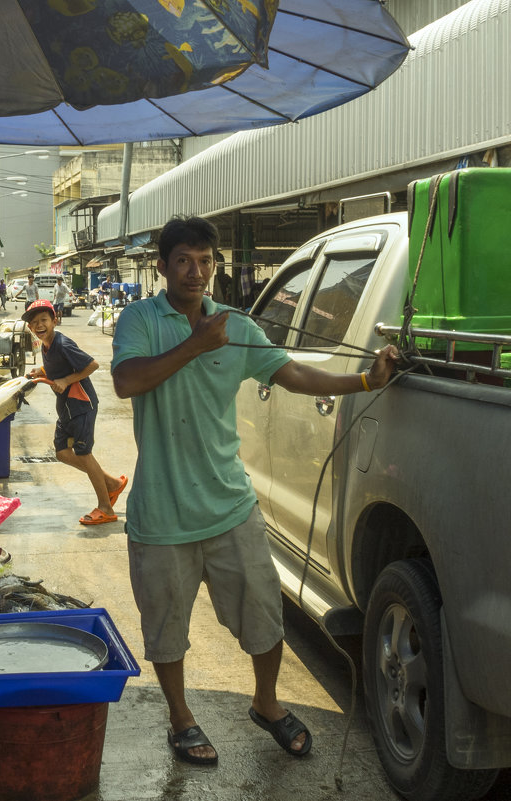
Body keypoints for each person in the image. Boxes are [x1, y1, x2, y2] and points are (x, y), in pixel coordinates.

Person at [111, 216, 398, 766]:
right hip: (162, 516)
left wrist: (365, 381)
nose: (196, 273)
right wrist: (196, 344)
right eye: (183, 262)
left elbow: (291, 373)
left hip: (230, 507)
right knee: (167, 633)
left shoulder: (235, 325)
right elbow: (127, 381)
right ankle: (181, 718)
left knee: (266, 620)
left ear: (214, 266)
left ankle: (266, 704)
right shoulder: (140, 318)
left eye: (205, 262)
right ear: (162, 267)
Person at [23, 299, 126, 526]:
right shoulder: (46, 345)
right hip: (67, 408)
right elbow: (55, 366)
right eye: (34, 323)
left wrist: (66, 380)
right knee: (61, 452)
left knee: (83, 454)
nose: (39, 325)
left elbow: (92, 365)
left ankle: (105, 508)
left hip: (81, 405)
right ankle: (111, 483)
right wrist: (39, 371)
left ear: (54, 321)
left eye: (44, 320)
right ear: (30, 328)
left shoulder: (62, 343)